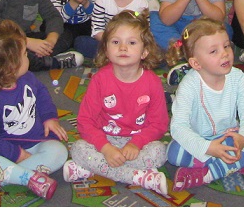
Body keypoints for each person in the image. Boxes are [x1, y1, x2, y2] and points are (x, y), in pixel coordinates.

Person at [64, 11, 169, 195]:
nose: (123, 47)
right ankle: (138, 177)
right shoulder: (100, 80)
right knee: (78, 148)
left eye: (132, 42)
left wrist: (136, 143)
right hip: (106, 138)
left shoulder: (152, 82)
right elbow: (85, 122)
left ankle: (90, 169)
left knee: (160, 151)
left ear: (145, 51)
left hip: (138, 142)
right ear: (106, 49)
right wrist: (105, 148)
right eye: (115, 42)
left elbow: (159, 125)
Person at [0, 20, 67, 200]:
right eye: (25, 54)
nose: (28, 56)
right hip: (1, 151)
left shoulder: (27, 77)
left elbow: (41, 93)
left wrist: (49, 118)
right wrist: (15, 154)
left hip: (34, 144)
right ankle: (28, 177)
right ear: (10, 67)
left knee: (59, 152)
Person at [165, 18, 244, 191]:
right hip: (201, 140)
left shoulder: (238, 77)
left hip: (230, 137)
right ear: (196, 63)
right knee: (174, 153)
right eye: (214, 51)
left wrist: (243, 138)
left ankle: (209, 173)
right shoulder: (189, 86)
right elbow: (178, 127)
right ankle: (241, 163)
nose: (225, 53)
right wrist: (208, 147)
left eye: (226, 46)